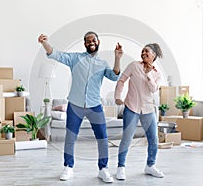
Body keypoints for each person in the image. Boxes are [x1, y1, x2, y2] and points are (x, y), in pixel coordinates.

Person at [38, 32, 123, 183]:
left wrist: (117, 57)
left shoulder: (102, 63)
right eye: (88, 41)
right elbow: (56, 54)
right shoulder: (75, 58)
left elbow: (115, 76)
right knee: (70, 138)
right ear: (85, 44)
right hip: (75, 105)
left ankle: (103, 169)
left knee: (102, 138)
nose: (91, 42)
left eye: (93, 40)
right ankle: (68, 167)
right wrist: (45, 43)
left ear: (98, 42)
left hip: (95, 105)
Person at [114, 43, 164, 180]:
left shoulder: (157, 73)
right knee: (127, 138)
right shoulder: (134, 65)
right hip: (131, 107)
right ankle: (121, 167)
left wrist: (148, 75)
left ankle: (150, 166)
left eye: (146, 51)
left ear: (153, 55)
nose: (143, 53)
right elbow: (121, 80)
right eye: (142, 51)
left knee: (153, 139)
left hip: (148, 109)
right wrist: (117, 97)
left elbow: (153, 89)